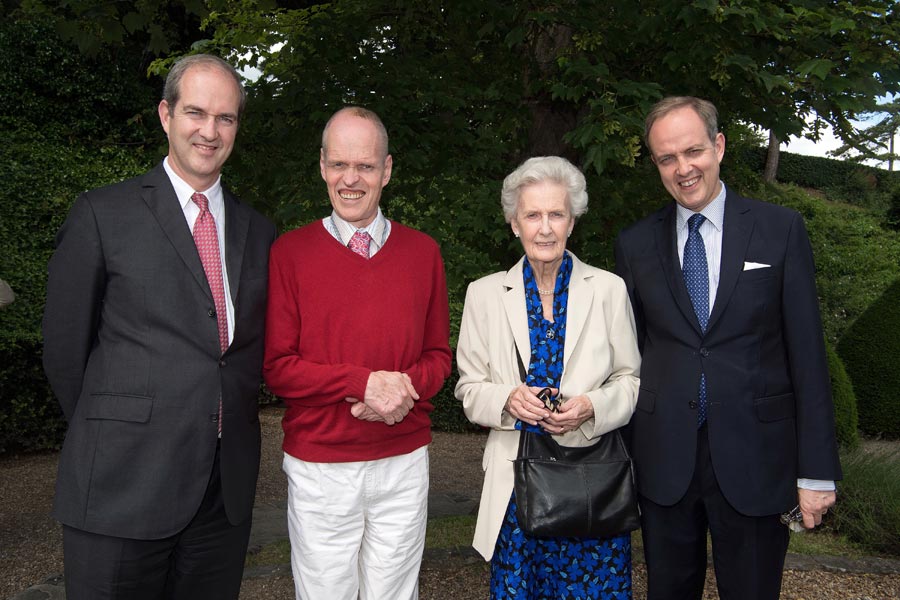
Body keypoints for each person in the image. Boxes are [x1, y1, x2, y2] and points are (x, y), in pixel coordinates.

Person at [42, 54, 277, 599]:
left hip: (223, 494)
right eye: (196, 112)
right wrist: (116, 430)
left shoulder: (258, 231)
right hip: (121, 485)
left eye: (226, 118)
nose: (210, 130)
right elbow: (64, 351)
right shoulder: (103, 214)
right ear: (165, 115)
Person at [614, 96, 842, 600]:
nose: (683, 168)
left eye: (692, 151)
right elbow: (628, 357)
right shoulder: (633, 244)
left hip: (757, 458)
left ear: (718, 147)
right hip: (664, 461)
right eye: (666, 159)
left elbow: (808, 358)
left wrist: (817, 471)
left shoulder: (780, 229)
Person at [263, 106, 452, 600]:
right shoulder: (290, 253)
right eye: (340, 164)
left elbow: (438, 356)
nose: (351, 179)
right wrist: (362, 384)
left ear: (386, 170)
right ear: (322, 165)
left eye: (365, 166)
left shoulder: (423, 253)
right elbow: (279, 368)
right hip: (320, 469)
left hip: (403, 462)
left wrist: (398, 392)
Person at [455, 156, 641, 599]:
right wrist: (506, 400)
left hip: (592, 486)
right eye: (532, 215)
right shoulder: (483, 294)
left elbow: (631, 380)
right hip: (516, 490)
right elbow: (467, 388)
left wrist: (592, 406)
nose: (544, 228)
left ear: (572, 222)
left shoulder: (608, 289)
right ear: (513, 223)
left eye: (556, 214)